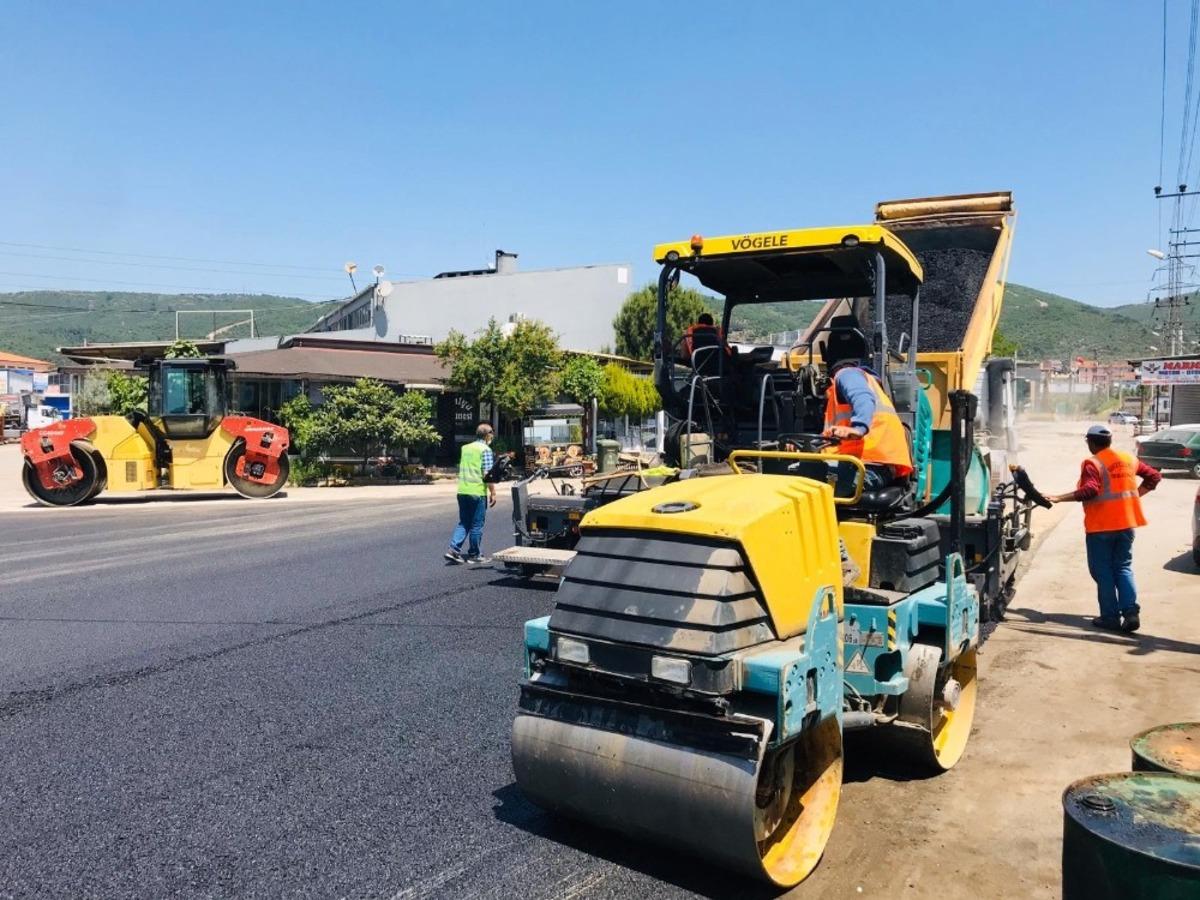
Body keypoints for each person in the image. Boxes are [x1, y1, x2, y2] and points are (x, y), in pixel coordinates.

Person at [1048, 424, 1160, 632]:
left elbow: (1090, 490)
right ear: (1109, 441)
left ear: (1090, 442)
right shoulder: (1128, 459)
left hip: (1101, 528)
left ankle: (1110, 617)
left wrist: (1059, 498)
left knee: (1104, 572)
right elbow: (1154, 477)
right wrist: (1135, 496)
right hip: (1126, 524)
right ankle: (1130, 612)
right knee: (1123, 567)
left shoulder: (1093, 463)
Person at [820, 325, 913, 493]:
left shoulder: (847, 374)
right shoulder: (869, 379)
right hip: (873, 464)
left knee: (797, 480)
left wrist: (858, 428)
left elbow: (863, 398)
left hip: (867, 466)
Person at [445, 423, 497, 565]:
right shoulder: (485, 449)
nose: (492, 435)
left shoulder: (465, 448)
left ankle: (453, 550)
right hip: (477, 492)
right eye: (492, 433)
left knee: (464, 522)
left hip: (462, 491)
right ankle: (475, 554)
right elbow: (487, 474)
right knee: (476, 524)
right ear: (487, 434)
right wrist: (493, 492)